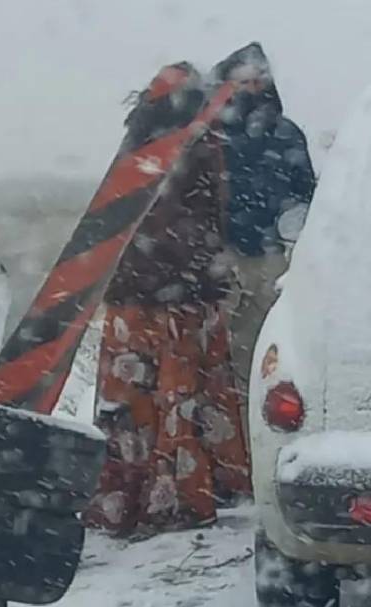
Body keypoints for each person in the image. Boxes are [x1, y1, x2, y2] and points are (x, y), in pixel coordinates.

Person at [83, 70, 252, 535]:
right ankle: (180, 492)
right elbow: (209, 216)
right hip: (185, 296)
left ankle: (124, 495)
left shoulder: (137, 145)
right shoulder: (200, 143)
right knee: (183, 395)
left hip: (131, 297)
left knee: (131, 400)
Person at [216, 57, 317, 395]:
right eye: (241, 82)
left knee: (264, 339)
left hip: (270, 254)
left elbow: (304, 197)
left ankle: (251, 409)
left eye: (255, 81)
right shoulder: (212, 135)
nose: (249, 89)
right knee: (218, 344)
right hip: (221, 254)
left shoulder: (287, 134)